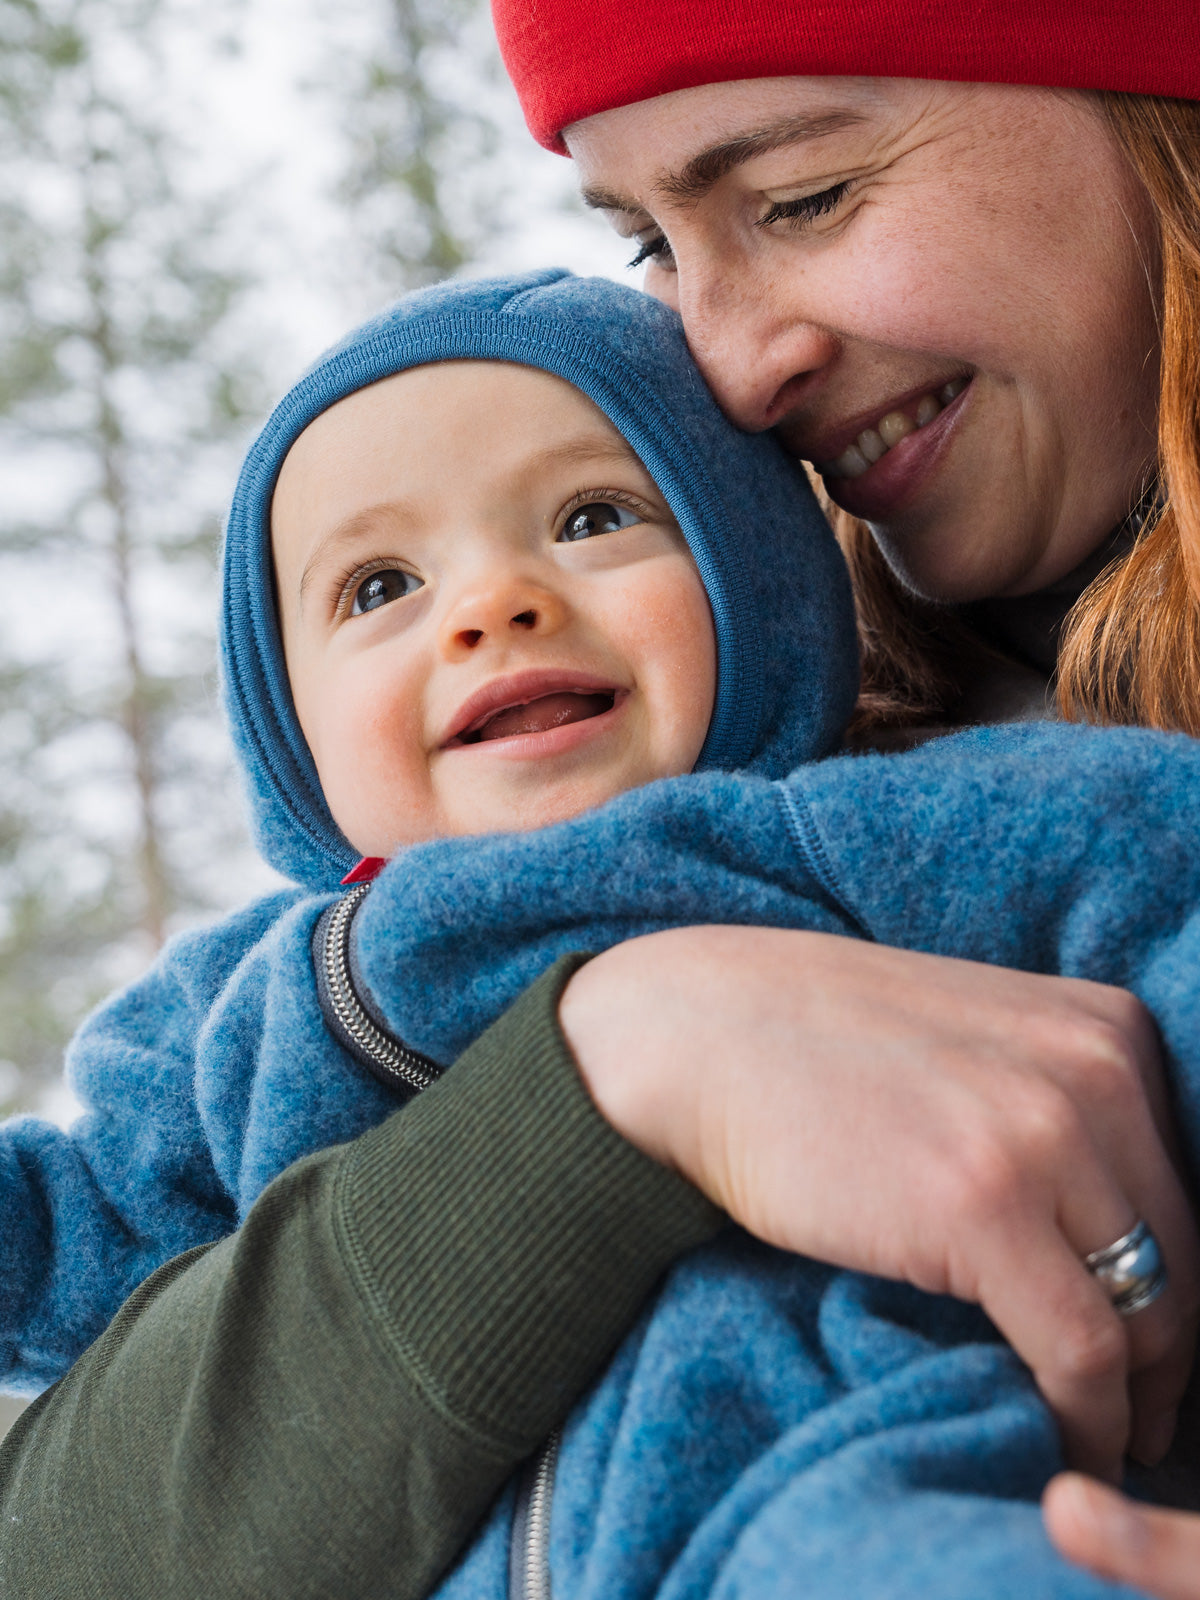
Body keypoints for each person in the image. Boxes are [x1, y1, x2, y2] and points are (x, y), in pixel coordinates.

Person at [1, 2, 1198, 1594]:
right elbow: (60, 1526)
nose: (728, 365)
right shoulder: (275, 993)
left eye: (801, 198)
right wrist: (616, 1075)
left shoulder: (938, 833)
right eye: (652, 247)